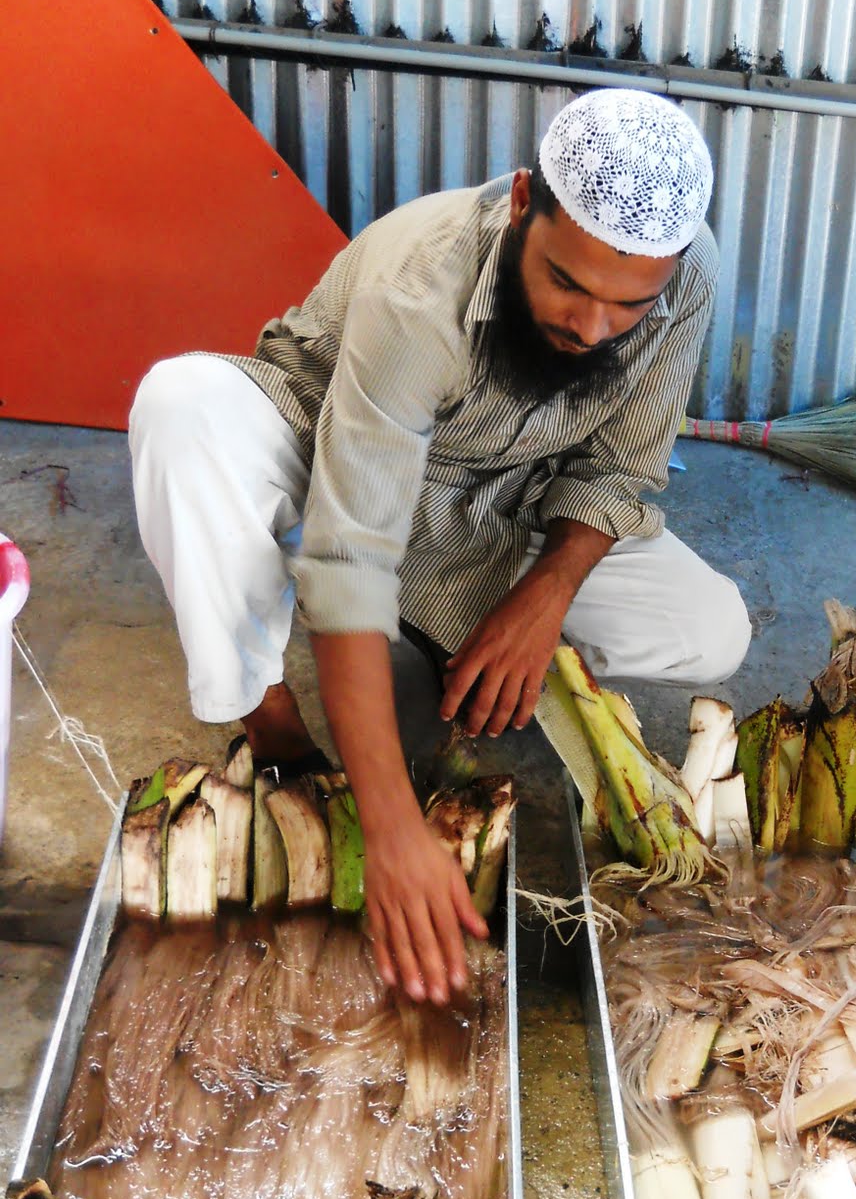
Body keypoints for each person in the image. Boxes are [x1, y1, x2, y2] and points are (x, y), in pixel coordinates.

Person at [128, 87, 751, 1006]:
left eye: (626, 306)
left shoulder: (685, 272)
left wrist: (543, 598)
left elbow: (619, 469)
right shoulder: (422, 286)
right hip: (326, 449)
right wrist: (390, 832)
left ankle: (444, 628)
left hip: (499, 503)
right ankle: (274, 728)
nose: (590, 328)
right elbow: (349, 555)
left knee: (710, 629)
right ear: (524, 203)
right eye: (567, 284)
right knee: (182, 410)